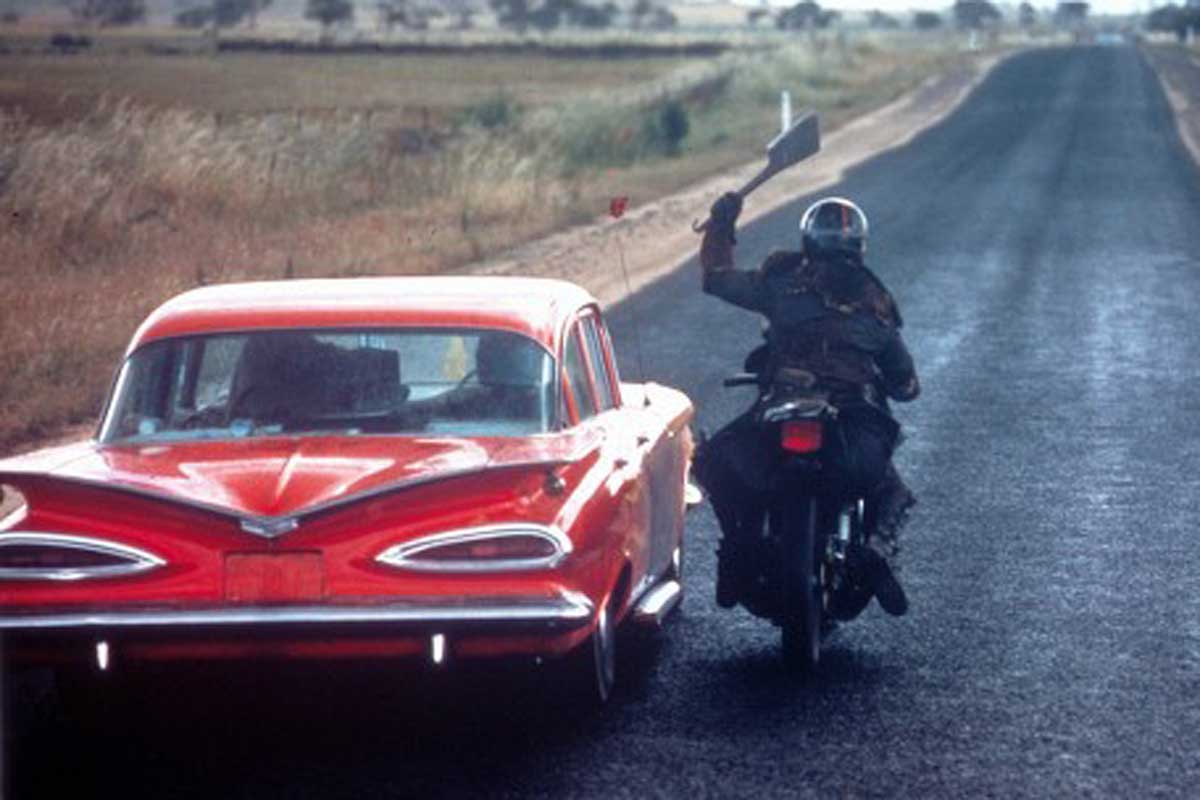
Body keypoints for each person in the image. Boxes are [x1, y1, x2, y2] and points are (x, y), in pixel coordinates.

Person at [693, 191, 919, 616]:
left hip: (783, 401)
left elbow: (716, 276)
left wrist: (721, 225)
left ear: (808, 241)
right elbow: (906, 385)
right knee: (892, 489)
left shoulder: (780, 282)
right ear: (859, 245)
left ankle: (737, 548)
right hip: (853, 416)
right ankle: (877, 549)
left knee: (709, 460)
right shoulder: (877, 301)